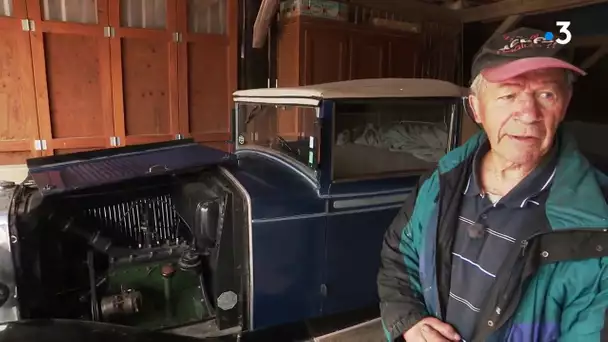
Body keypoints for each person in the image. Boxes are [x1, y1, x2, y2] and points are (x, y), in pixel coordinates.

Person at [377, 27, 608, 342]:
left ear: (564, 105)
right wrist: (409, 321)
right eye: (509, 94)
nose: (528, 114)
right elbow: (398, 258)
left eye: (546, 94)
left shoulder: (596, 228)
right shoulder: (443, 180)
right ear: (475, 108)